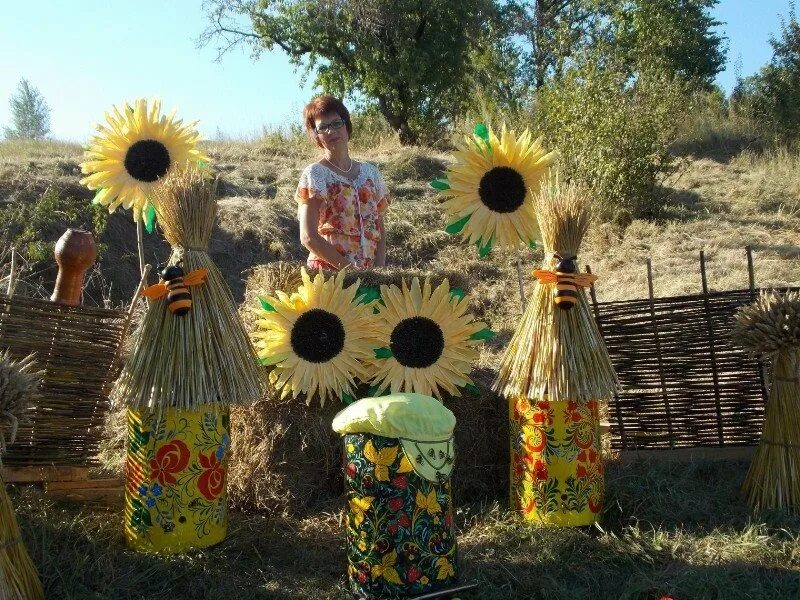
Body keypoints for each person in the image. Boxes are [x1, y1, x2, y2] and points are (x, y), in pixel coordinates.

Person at [296, 96, 390, 271]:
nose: (331, 131)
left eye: (337, 123)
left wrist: (378, 273)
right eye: (323, 127)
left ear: (347, 126)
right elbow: (308, 237)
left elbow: (379, 229)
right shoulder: (316, 174)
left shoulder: (370, 173)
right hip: (329, 276)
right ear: (316, 136)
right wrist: (350, 272)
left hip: (368, 278)